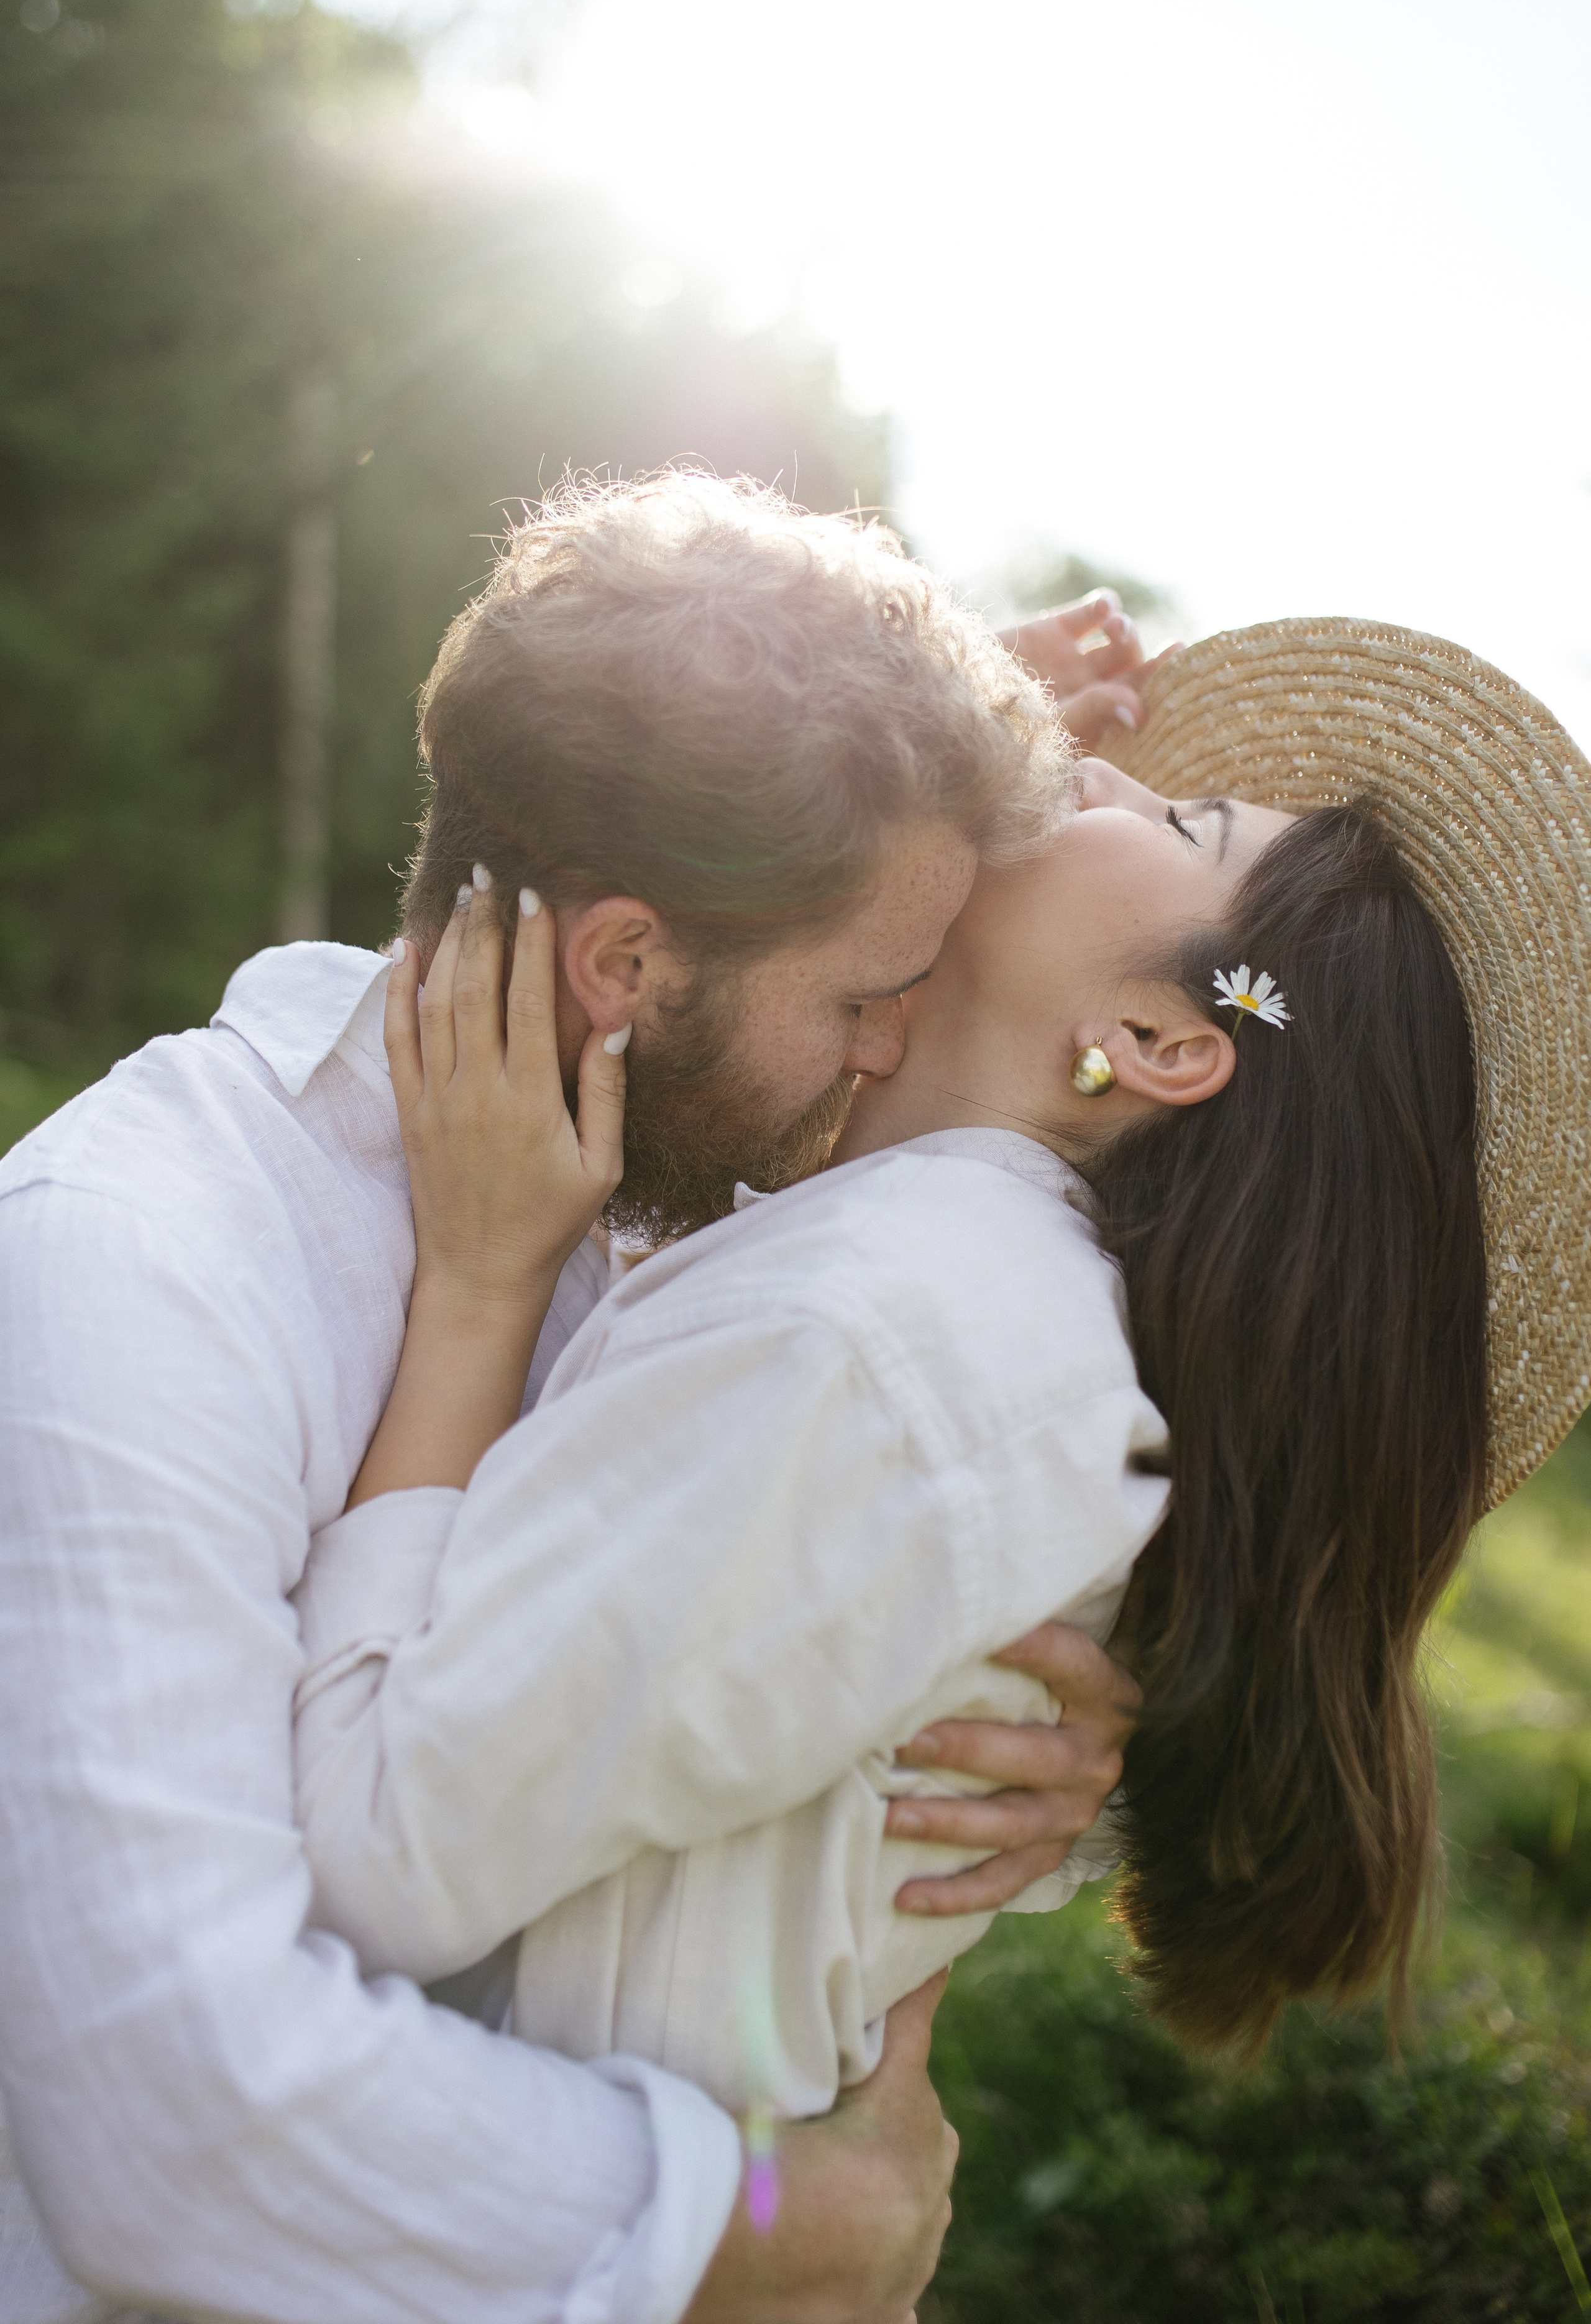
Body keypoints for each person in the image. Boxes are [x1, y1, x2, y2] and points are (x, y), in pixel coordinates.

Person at [0, 472, 1153, 2324]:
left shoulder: (704, 1213)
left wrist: (1037, 1743)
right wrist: (780, 2234)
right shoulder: (134, 1260)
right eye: (872, 989)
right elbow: (176, 2119)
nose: (891, 1046)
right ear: (625, 963)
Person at [287, 620, 1591, 2131]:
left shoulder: (873, 1336)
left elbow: (363, 1846)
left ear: (1160, 1040)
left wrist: (477, 1292)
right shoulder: (949, 1309)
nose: (1098, 771)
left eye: (1182, 825)